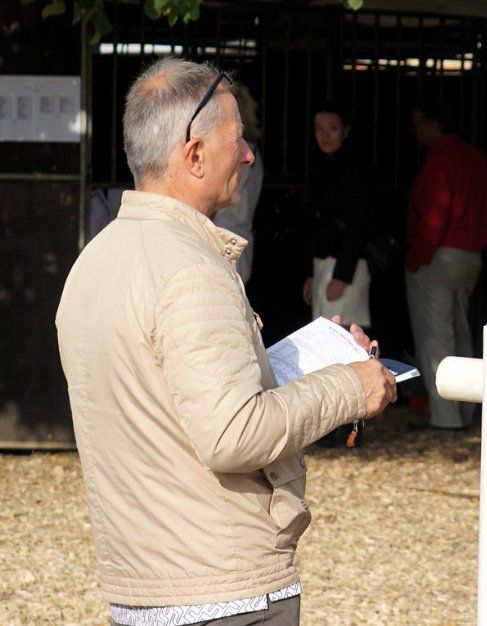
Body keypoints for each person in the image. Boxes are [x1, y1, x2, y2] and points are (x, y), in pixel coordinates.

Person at [55, 58, 397, 626]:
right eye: (237, 140)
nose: (249, 154)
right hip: (221, 590)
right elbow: (233, 434)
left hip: (142, 588)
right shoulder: (193, 269)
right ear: (193, 156)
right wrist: (349, 386)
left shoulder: (94, 262)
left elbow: (172, 402)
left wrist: (306, 358)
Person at [405, 98, 487, 431]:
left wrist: (416, 257)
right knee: (460, 332)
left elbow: (433, 216)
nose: (415, 130)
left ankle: (445, 417)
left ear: (432, 124)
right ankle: (468, 410)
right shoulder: (475, 158)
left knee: (435, 338)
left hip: (439, 255)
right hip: (470, 255)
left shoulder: (439, 162)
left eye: (418, 123)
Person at [302, 103, 375, 328]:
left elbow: (358, 224)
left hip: (345, 265)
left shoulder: (356, 169)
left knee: (344, 333)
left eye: (332, 128)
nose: (325, 135)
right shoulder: (321, 166)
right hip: (325, 262)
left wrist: (342, 276)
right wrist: (312, 274)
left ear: (346, 130)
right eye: (319, 128)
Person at [213, 82, 264, 283]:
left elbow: (222, 196)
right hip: (237, 235)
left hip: (227, 238)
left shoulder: (239, 152)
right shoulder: (254, 152)